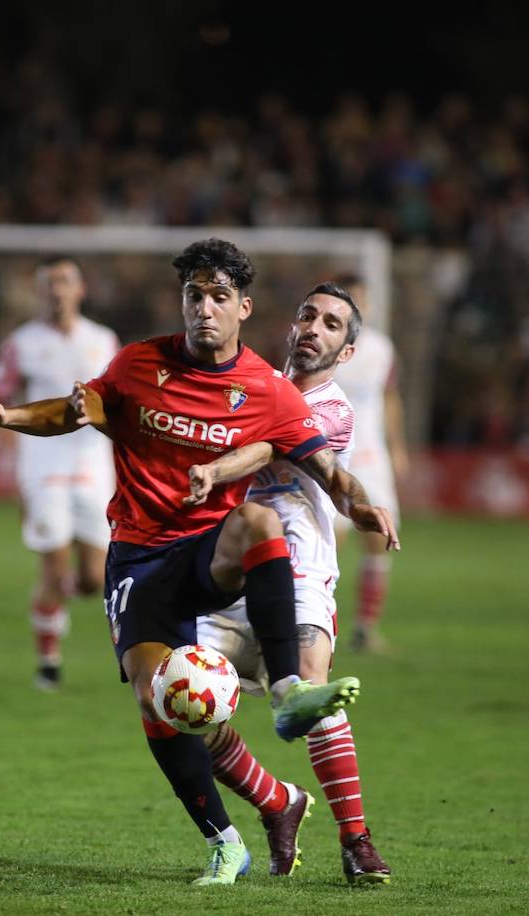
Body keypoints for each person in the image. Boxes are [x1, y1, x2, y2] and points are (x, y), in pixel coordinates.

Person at [0, 238, 395, 885]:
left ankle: (306, 733)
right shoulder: (141, 364)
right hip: (142, 555)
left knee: (259, 527)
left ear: (242, 307)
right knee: (168, 698)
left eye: (218, 296)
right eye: (194, 295)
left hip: (237, 552)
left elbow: (324, 468)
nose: (204, 308)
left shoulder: (282, 396)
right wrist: (12, 416)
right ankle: (243, 827)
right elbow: (78, 410)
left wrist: (363, 508)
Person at [189, 282, 392, 885]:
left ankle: (356, 841)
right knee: (177, 698)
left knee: (311, 681)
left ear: (346, 352)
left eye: (332, 324)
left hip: (298, 561)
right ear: (289, 325)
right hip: (228, 561)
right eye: (308, 315)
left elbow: (268, 446)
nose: (314, 328)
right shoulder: (246, 383)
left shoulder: (330, 409)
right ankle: (278, 801)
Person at [0, 255, 119, 690]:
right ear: (39, 291)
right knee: (52, 563)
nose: (57, 290)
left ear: (80, 289)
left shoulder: (103, 340)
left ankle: (58, 603)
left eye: (65, 281)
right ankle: (48, 663)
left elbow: (119, 398)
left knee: (95, 576)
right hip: (42, 464)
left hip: (92, 461)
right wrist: (0, 431)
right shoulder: (21, 342)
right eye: (49, 283)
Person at [332, 274, 409, 652]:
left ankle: (365, 627)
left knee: (378, 539)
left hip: (371, 455)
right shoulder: (321, 340)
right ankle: (315, 627)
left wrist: (397, 447)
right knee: (329, 543)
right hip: (328, 454)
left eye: (362, 297)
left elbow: (390, 396)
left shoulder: (381, 347)